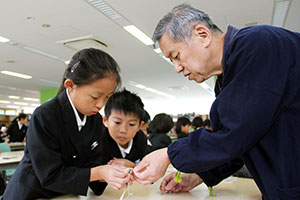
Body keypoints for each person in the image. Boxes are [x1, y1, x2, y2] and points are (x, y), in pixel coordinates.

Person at [133, 3, 300, 200]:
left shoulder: (258, 45)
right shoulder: (226, 78)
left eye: (176, 56)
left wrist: (169, 154)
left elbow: (236, 131)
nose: (177, 68)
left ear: (202, 35)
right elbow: (244, 142)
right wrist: (200, 176)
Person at [2, 48, 132, 199]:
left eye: (107, 98)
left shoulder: (94, 120)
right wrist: (99, 172)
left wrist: (108, 173)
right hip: (31, 194)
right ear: (70, 85)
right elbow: (50, 174)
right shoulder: (45, 115)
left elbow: (91, 163)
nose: (100, 105)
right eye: (95, 97)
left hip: (64, 195)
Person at [100, 89, 151, 169]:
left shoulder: (140, 138)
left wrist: (132, 165)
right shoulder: (98, 139)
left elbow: (148, 165)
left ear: (139, 126)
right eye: (117, 122)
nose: (123, 130)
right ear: (105, 121)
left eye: (131, 124)